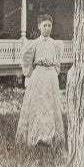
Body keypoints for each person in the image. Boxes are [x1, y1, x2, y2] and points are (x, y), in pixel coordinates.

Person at [15, 14, 65, 148]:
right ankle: (37, 136)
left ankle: (51, 137)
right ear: (39, 27)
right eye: (45, 26)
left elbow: (58, 61)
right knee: (39, 104)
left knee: (51, 104)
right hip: (39, 75)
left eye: (49, 26)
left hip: (51, 76)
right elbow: (26, 60)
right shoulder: (34, 43)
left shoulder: (55, 44)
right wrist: (28, 74)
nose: (47, 29)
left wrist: (55, 71)